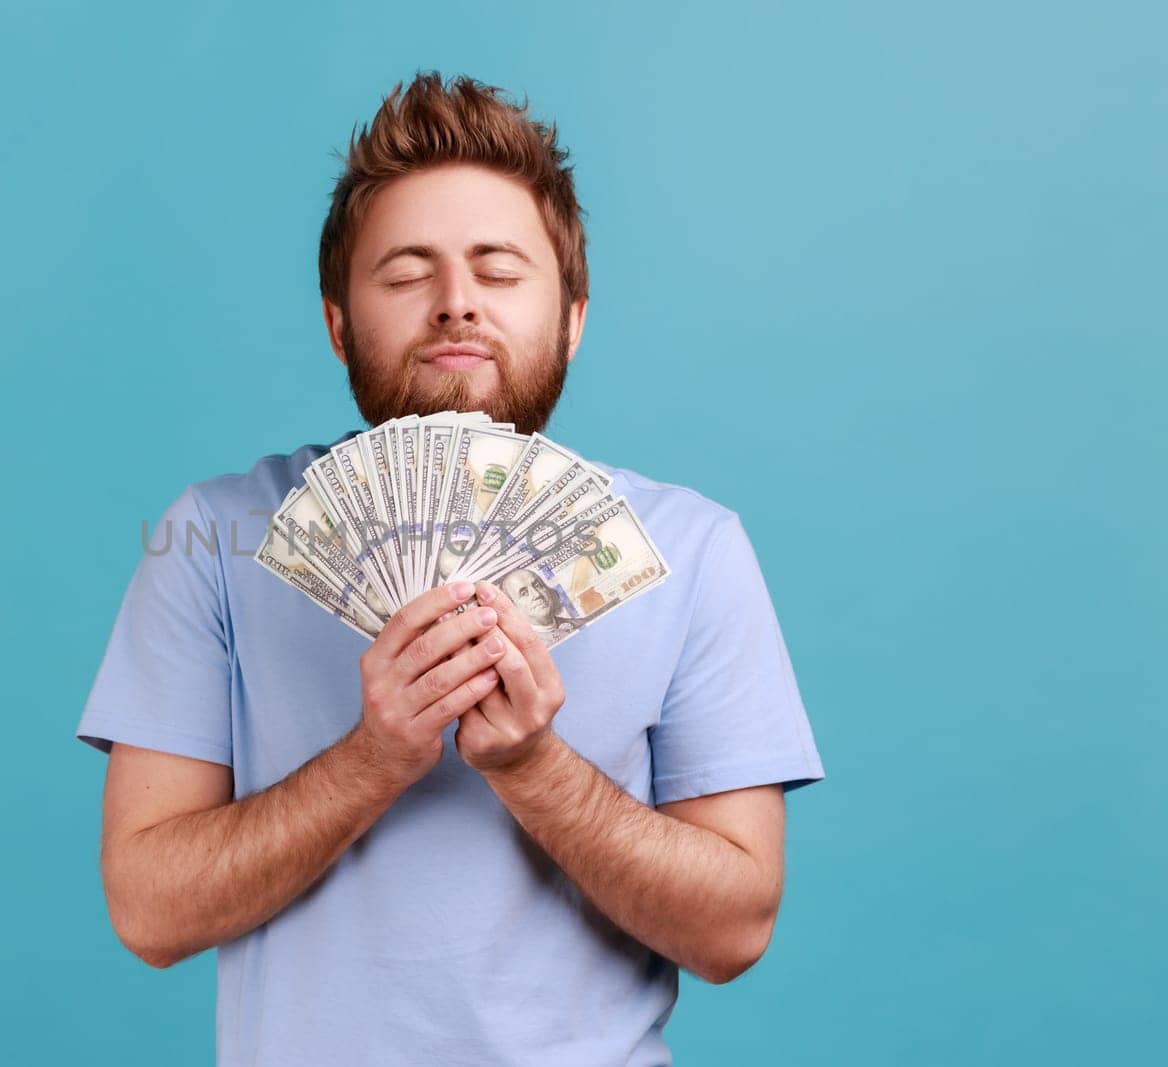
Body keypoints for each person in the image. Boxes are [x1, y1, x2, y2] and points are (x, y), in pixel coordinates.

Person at [76, 70, 825, 1066]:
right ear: (340, 322)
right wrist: (374, 753)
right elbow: (147, 909)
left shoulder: (692, 548)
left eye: (498, 269)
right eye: (406, 272)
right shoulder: (216, 536)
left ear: (573, 317)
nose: (455, 304)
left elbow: (734, 930)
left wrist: (533, 766)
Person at [498, 567, 581, 643]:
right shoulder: (521, 647)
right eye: (524, 593)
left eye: (537, 586)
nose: (537, 594)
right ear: (513, 606)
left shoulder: (580, 624)